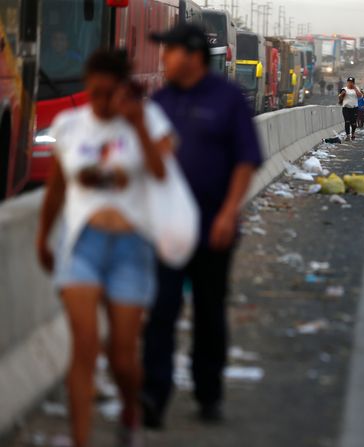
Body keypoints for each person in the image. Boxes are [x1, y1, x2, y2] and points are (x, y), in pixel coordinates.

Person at [36, 49, 174, 447]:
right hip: (81, 245)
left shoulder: (147, 122)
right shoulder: (70, 125)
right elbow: (57, 189)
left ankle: (131, 409)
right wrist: (42, 236)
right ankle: (82, 440)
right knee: (84, 346)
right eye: (93, 92)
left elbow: (162, 173)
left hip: (131, 249)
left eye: (107, 93)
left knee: (123, 357)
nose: (98, 102)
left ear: (121, 90)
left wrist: (137, 126)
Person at [142, 24, 263, 428]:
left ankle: (207, 391)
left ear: (192, 56)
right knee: (161, 312)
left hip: (214, 227)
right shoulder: (159, 102)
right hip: (168, 230)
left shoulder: (227, 99)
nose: (163, 60)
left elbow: (246, 160)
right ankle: (153, 395)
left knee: (209, 312)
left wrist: (230, 213)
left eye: (169, 52)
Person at [338, 76, 362, 141]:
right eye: (349, 82)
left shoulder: (356, 88)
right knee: (347, 121)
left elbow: (360, 96)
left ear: (354, 83)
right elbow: (339, 97)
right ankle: (348, 135)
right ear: (347, 82)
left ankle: (353, 133)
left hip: (354, 108)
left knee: (353, 123)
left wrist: (355, 88)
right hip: (346, 108)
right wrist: (342, 94)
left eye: (352, 82)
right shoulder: (344, 89)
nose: (350, 83)